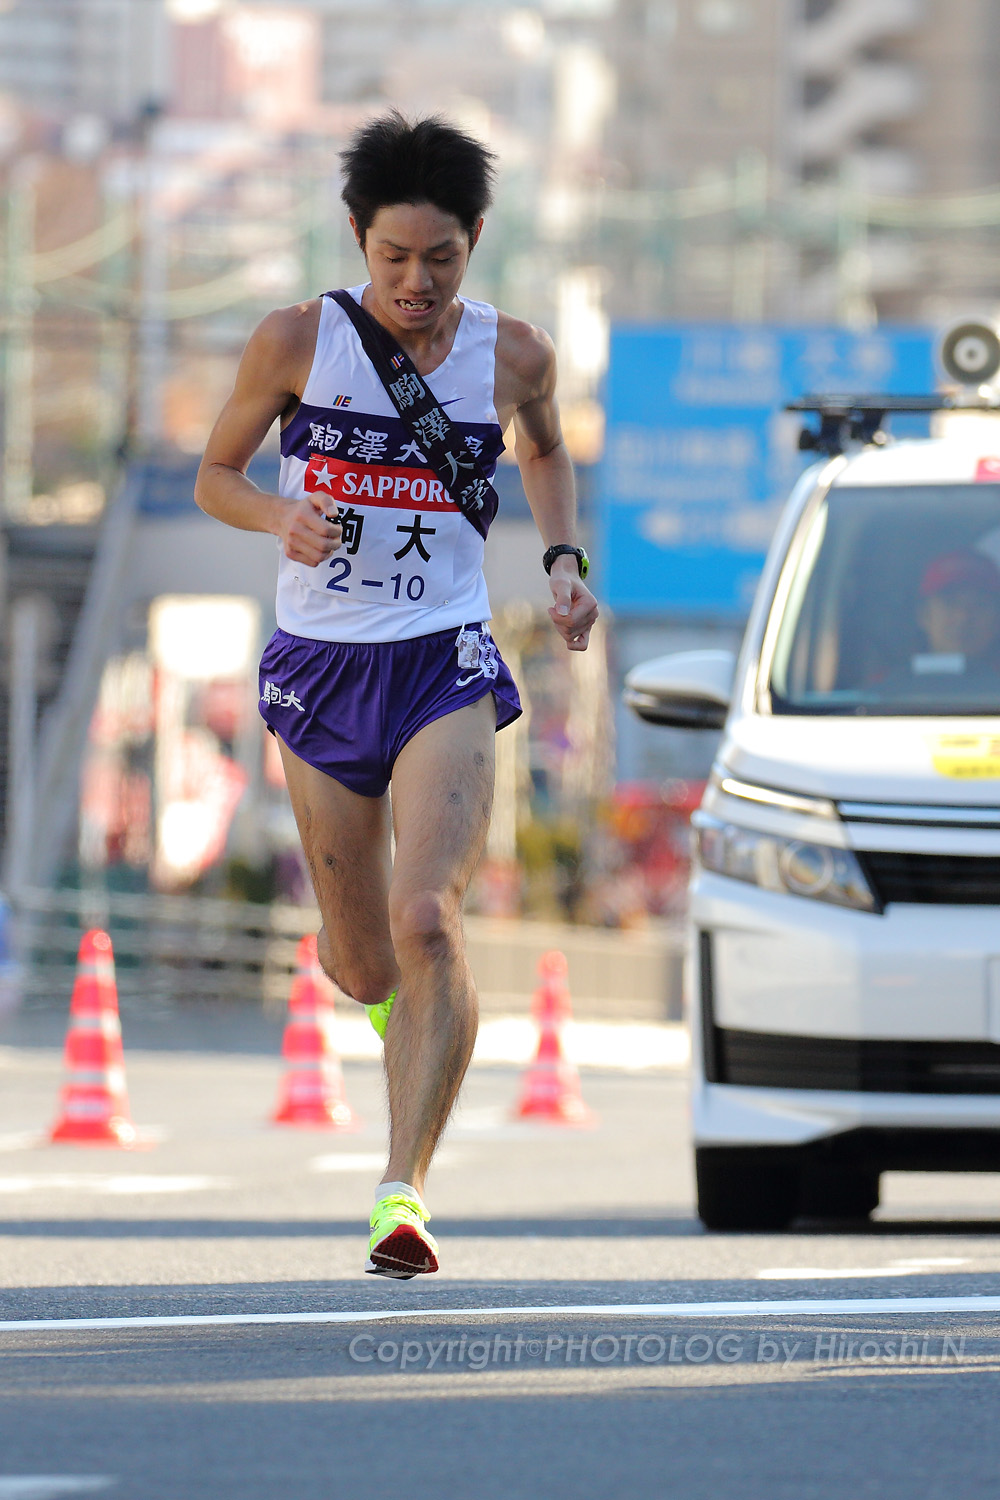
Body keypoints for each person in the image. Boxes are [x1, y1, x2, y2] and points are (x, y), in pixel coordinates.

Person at [195, 112, 598, 1278]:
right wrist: (279, 514)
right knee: (365, 962)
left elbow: (545, 452)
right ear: (358, 241)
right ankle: (393, 1011)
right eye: (392, 260)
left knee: (429, 920)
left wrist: (565, 568)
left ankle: (401, 1192)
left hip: (442, 659)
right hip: (321, 667)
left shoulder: (512, 356)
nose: (415, 284)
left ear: (475, 239)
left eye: (441, 260)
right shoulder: (294, 342)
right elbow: (215, 473)